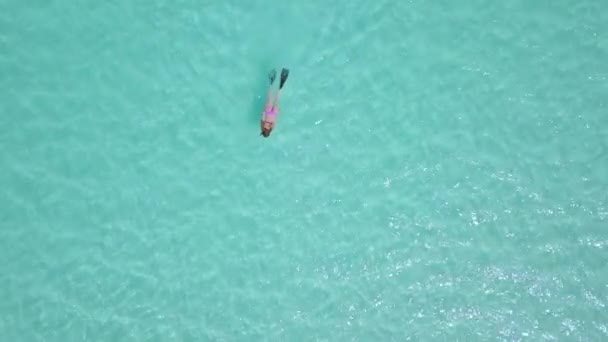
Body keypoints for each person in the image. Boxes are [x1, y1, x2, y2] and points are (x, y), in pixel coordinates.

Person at [261, 68, 289, 138]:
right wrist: (264, 110)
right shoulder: (263, 127)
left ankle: (281, 85)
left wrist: (278, 112)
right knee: (270, 97)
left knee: (277, 99)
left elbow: (275, 120)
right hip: (268, 112)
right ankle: (271, 83)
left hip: (274, 113)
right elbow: (263, 116)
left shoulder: (272, 128)